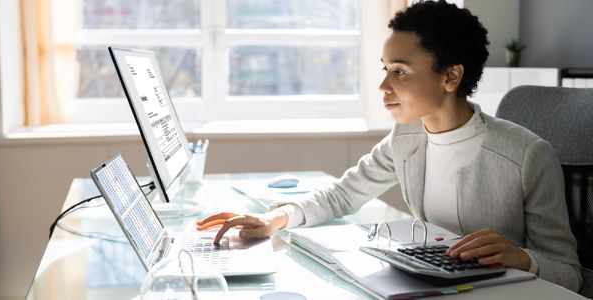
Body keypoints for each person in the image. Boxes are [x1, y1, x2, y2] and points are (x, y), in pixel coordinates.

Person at [196, 0, 582, 292]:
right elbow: (343, 194)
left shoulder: (528, 155)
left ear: (451, 76)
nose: (384, 87)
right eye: (385, 69)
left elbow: (570, 273)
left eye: (400, 72)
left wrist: (523, 258)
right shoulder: (407, 137)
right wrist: (275, 219)